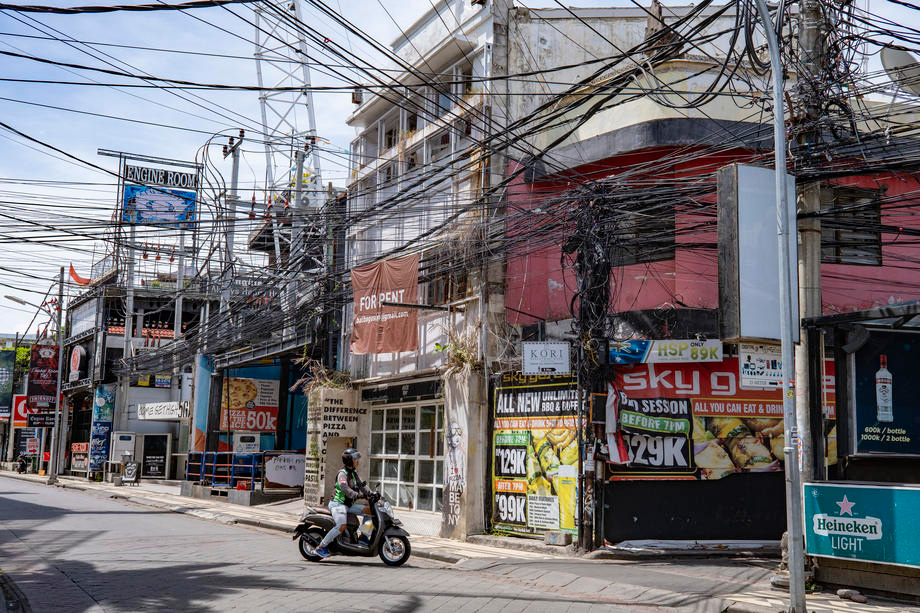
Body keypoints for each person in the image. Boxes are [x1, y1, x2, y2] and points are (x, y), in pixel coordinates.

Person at [315, 448, 373, 558]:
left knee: (370, 511)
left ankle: (364, 537)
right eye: (355, 459)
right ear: (350, 461)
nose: (357, 462)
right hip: (338, 504)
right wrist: (358, 495)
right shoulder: (342, 474)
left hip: (347, 505)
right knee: (341, 526)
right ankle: (321, 547)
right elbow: (344, 488)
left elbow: (362, 485)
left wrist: (372, 494)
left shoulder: (353, 473)